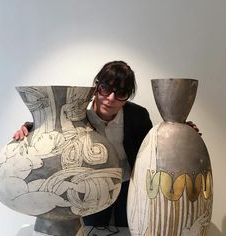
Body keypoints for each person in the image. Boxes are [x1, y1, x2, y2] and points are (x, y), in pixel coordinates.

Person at [13, 60, 200, 227]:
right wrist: (30, 128)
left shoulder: (138, 116)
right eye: (105, 89)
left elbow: (153, 146)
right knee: (93, 228)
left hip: (129, 184)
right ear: (96, 87)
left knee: (128, 227)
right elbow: (55, 132)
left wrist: (181, 129)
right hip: (92, 185)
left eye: (121, 93)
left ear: (128, 96)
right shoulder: (77, 115)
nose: (110, 98)